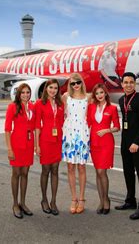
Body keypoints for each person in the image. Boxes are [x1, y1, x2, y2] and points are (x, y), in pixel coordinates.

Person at [116, 72, 139, 220]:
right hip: (125, 144)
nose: (128, 85)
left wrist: (137, 142)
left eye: (131, 82)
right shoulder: (121, 100)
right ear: (122, 84)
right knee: (128, 173)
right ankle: (130, 201)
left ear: (135, 84)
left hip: (138, 145)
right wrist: (126, 143)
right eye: (126, 82)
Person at [87, 83, 120, 214]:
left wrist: (107, 130)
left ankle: (106, 200)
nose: (99, 95)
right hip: (94, 143)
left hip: (106, 143)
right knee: (97, 172)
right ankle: (101, 201)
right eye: (97, 93)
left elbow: (117, 127)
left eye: (101, 92)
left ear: (105, 93)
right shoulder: (91, 107)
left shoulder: (112, 108)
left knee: (102, 172)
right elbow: (88, 123)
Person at [4, 83, 35, 219]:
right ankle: (15, 204)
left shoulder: (32, 107)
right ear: (18, 94)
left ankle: (23, 203)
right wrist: (9, 148)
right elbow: (7, 129)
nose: (26, 95)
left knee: (25, 173)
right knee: (16, 173)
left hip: (29, 144)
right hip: (16, 144)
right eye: (23, 92)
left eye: (28, 92)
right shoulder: (13, 106)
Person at [61, 73, 91, 214]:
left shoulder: (88, 98)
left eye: (78, 82)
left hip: (83, 134)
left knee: (82, 168)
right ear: (69, 85)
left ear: (82, 82)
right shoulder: (66, 97)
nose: (76, 85)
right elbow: (58, 112)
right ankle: (73, 199)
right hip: (69, 134)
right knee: (71, 168)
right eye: (72, 83)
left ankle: (82, 198)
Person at [34, 79, 65, 215]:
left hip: (57, 140)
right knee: (45, 169)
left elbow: (62, 122)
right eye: (51, 88)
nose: (53, 90)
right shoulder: (40, 104)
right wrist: (37, 146)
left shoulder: (60, 103)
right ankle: (44, 199)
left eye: (56, 88)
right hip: (45, 140)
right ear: (46, 88)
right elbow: (36, 126)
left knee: (55, 169)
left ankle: (53, 201)